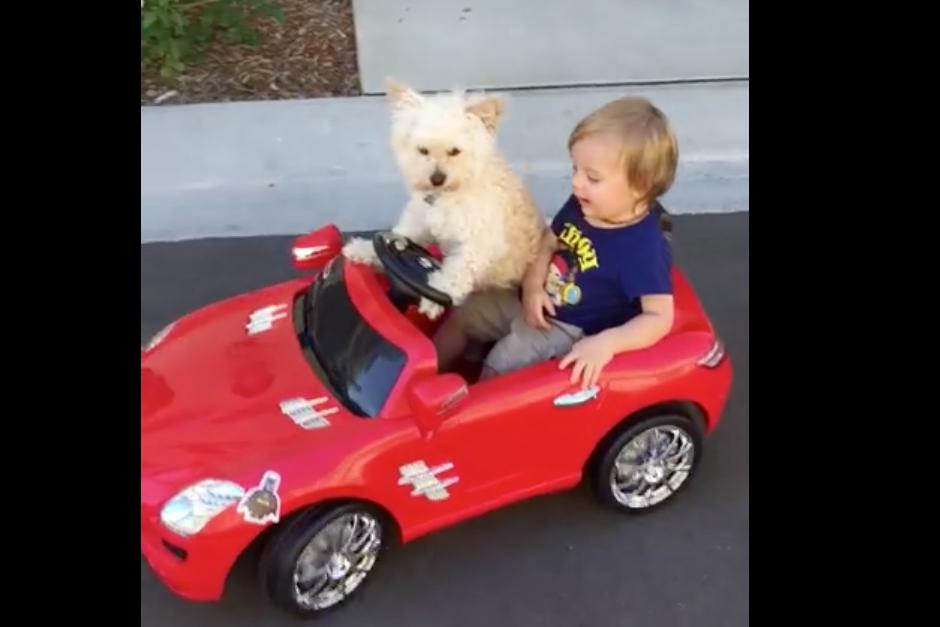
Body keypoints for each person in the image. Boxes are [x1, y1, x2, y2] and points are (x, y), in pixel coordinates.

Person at [432, 95, 677, 389]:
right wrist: (534, 287)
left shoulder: (642, 249)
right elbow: (548, 242)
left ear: (639, 187)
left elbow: (659, 317)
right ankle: (418, 385)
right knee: (467, 314)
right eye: (576, 169)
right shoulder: (584, 204)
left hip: (568, 328)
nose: (576, 182)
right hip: (531, 299)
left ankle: (467, 421)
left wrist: (606, 344)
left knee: (503, 361)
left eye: (592, 177)